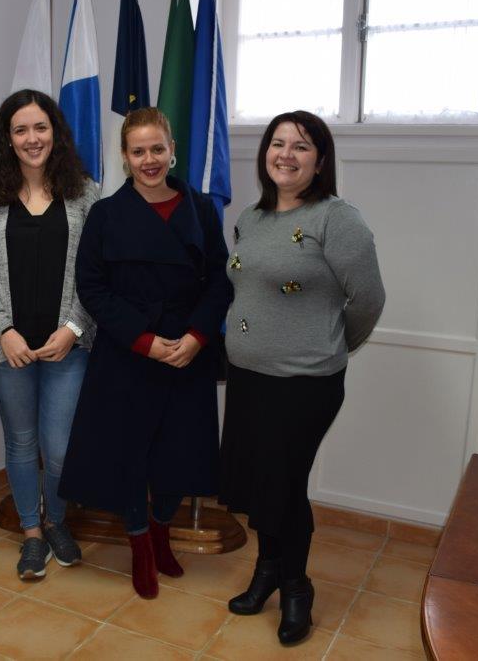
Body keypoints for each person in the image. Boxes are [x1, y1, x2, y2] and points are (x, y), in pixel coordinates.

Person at [219, 110, 385, 644]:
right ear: (265, 152)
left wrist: (332, 345)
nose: (286, 155)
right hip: (247, 377)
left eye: (302, 146)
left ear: (320, 161)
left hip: (304, 385)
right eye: (278, 143)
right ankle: (266, 572)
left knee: (284, 486)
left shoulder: (337, 218)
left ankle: (295, 587)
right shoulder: (251, 217)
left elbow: (368, 300)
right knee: (261, 482)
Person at [59, 107, 231, 599]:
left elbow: (220, 279)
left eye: (158, 149)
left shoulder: (200, 209)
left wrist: (197, 337)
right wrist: (142, 340)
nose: (150, 160)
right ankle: (138, 544)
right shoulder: (106, 214)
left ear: (172, 149)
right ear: (125, 156)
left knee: (181, 453)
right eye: (139, 151)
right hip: (128, 351)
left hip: (186, 351)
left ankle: (160, 530)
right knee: (128, 456)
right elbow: (92, 288)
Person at [0, 89, 98, 579]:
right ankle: (31, 533)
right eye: (20, 129)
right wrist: (4, 330)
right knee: (21, 443)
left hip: (69, 345)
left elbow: (95, 270)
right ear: (7, 137)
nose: (31, 138)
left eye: (40, 127)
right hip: (9, 349)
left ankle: (58, 518)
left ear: (55, 133)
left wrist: (73, 327)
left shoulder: (86, 193)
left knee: (60, 446)